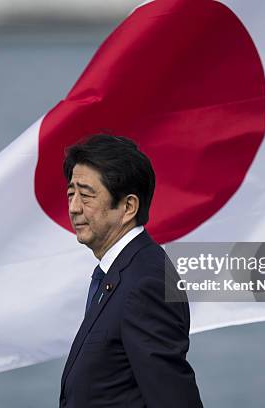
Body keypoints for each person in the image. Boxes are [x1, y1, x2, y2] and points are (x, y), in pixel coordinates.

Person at [59, 134, 203, 408]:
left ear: (128, 207)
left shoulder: (145, 282)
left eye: (86, 196)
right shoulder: (121, 272)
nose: (74, 207)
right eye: (70, 194)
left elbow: (173, 398)